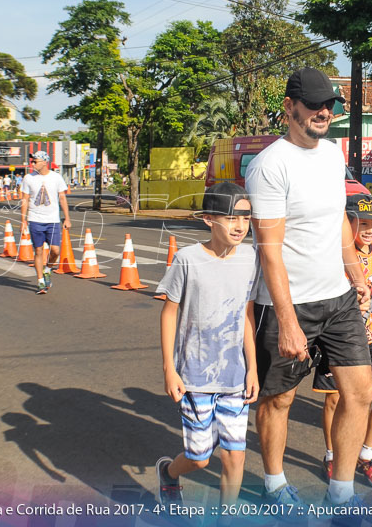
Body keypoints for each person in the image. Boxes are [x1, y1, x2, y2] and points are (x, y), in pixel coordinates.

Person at [246, 67, 372, 508]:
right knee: (279, 400)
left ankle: (341, 492)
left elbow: (337, 216)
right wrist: (286, 322)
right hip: (288, 303)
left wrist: (354, 271)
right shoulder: (269, 166)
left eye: (330, 104)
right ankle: (275, 483)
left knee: (361, 393)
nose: (325, 111)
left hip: (337, 300)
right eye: (315, 104)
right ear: (289, 107)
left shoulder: (334, 155)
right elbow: (270, 251)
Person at [155, 182, 260, 510]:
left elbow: (246, 313)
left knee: (234, 459)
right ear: (208, 220)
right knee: (199, 458)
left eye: (245, 217)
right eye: (231, 217)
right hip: (194, 376)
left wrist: (253, 368)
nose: (240, 225)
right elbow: (169, 312)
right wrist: (169, 369)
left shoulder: (250, 258)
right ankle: (169, 473)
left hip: (234, 378)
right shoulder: (187, 259)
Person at [313, 193, 372, 489]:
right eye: (363, 224)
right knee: (336, 399)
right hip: (337, 338)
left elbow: (371, 291)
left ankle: (366, 456)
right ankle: (332, 455)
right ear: (348, 225)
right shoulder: (334, 253)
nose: (370, 230)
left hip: (368, 335)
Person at [20, 151, 71, 294]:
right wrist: (23, 220)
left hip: (53, 220)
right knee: (38, 251)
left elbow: (62, 198)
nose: (33, 163)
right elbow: (25, 199)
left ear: (44, 162)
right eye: (32, 161)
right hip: (35, 220)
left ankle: (48, 268)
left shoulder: (56, 177)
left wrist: (67, 218)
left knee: (55, 250)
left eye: (35, 161)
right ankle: (40, 281)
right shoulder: (28, 178)